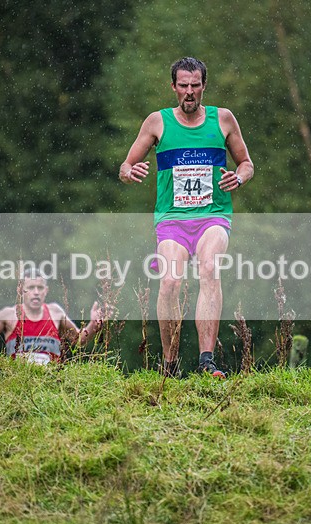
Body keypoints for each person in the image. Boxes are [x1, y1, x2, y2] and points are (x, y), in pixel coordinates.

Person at [119, 57, 254, 378]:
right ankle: (170, 363)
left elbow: (247, 162)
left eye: (195, 86)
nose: (189, 92)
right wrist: (129, 172)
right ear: (173, 87)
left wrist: (239, 177)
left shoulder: (223, 119)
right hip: (172, 219)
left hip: (213, 215)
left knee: (209, 269)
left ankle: (207, 360)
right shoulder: (157, 123)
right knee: (169, 283)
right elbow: (125, 166)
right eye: (183, 86)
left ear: (204, 86)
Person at [0, 268, 104, 365]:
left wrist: (93, 324)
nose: (36, 292)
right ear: (21, 290)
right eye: (31, 287)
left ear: (46, 291)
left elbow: (79, 341)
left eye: (40, 288)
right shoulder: (8, 315)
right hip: (18, 384)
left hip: (51, 386)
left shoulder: (55, 312)